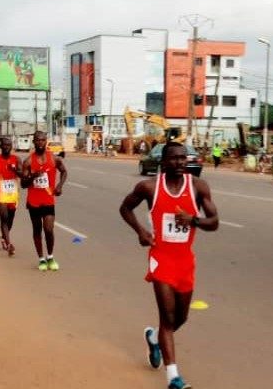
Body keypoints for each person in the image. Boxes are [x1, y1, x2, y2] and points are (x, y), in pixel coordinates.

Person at [119, 142, 219, 389]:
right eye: (174, 159)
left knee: (180, 318)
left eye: (183, 158)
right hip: (161, 257)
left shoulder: (198, 187)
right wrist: (141, 231)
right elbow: (125, 208)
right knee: (167, 317)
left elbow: (214, 222)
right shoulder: (149, 187)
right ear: (163, 162)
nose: (179, 163)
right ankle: (173, 377)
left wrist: (193, 220)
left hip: (185, 260)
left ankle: (153, 337)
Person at [21, 131, 67, 271]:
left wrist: (59, 186)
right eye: (37, 140)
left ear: (46, 141)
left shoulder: (54, 159)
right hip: (33, 201)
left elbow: (64, 171)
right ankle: (41, 259)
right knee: (37, 229)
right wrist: (32, 176)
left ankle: (50, 256)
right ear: (33, 142)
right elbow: (23, 184)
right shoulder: (28, 161)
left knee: (48, 229)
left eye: (42, 140)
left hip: (48, 200)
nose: (40, 142)